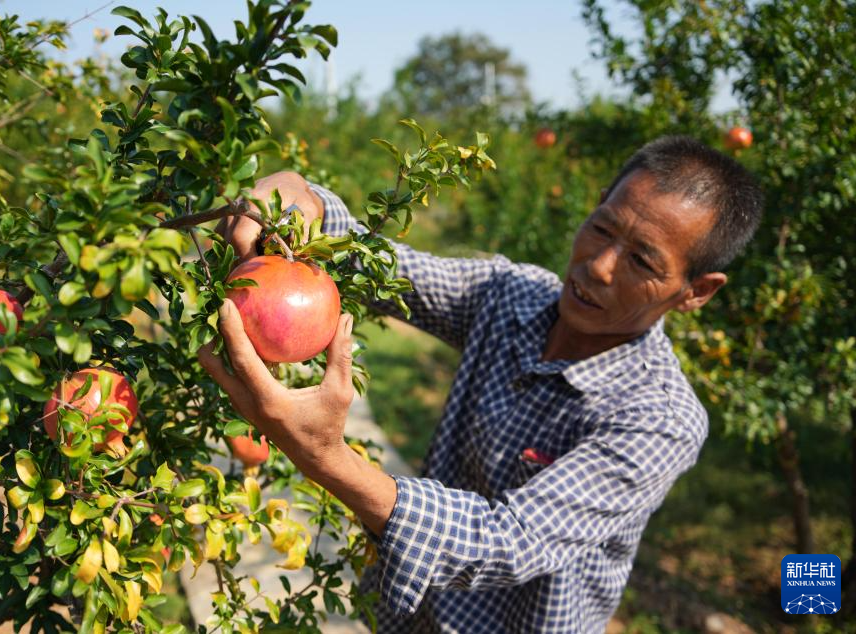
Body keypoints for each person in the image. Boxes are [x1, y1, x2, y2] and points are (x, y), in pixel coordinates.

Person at [199, 136, 763, 633]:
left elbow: (505, 542)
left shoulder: (660, 420)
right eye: (602, 229)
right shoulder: (509, 294)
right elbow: (387, 268)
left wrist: (324, 455)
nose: (599, 266)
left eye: (642, 261)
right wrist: (305, 199)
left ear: (697, 291)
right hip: (400, 614)